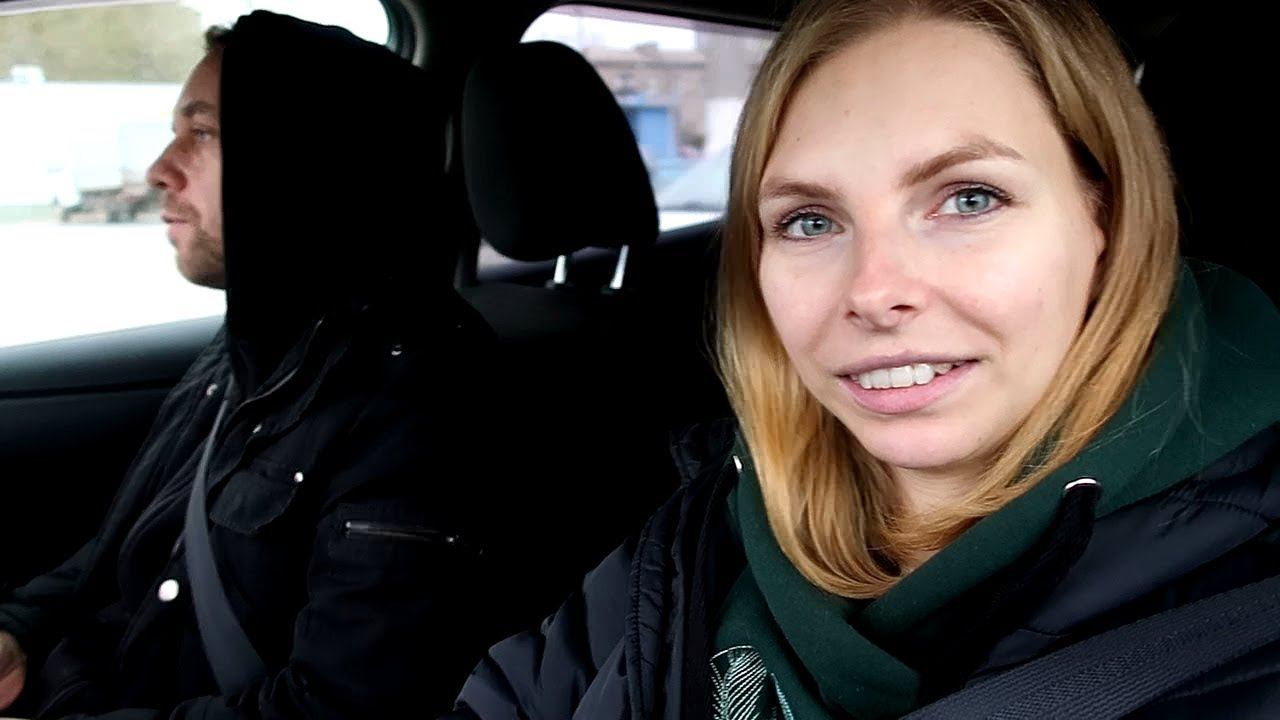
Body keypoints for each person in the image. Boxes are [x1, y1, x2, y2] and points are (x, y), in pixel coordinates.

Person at [448, 0, 1280, 717]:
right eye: (809, 221)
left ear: (1105, 221)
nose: (874, 291)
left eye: (969, 198)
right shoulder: (697, 534)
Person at [0, 12, 495, 718]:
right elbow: (126, 547)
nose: (159, 171)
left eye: (201, 134)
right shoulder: (253, 346)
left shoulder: (415, 402)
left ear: (299, 160)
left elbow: (338, 707)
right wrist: (19, 630)